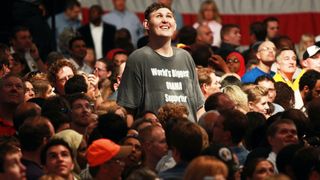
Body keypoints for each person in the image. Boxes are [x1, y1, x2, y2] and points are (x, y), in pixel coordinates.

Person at [117, 2, 204, 122]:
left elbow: (199, 107)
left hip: (188, 135)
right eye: (159, 16)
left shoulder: (185, 57)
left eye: (169, 16)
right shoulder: (138, 58)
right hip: (156, 137)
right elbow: (128, 109)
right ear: (147, 24)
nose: (165, 20)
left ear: (175, 25)